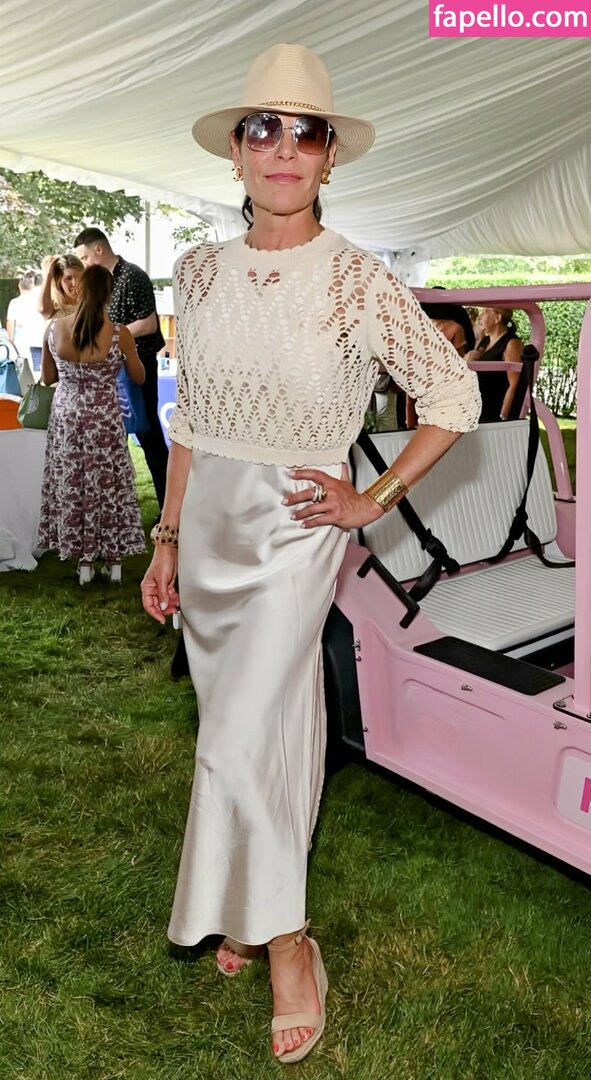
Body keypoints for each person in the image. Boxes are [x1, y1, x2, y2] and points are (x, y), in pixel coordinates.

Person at [140, 43, 481, 1064]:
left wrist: (371, 497)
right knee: (269, 727)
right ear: (236, 153)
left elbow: (454, 396)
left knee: (234, 738)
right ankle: (250, 906)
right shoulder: (197, 272)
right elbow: (191, 421)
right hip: (208, 529)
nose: (282, 148)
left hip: (295, 529)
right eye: (263, 129)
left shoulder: (358, 281)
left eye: (305, 132)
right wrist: (166, 538)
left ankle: (288, 942)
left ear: (330, 157)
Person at [37, 265, 146, 585]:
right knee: (108, 484)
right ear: (109, 294)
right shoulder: (119, 333)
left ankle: (84, 561)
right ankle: (114, 563)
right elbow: (138, 376)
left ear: (79, 290)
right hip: (104, 418)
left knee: (75, 484)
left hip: (68, 418)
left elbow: (47, 378)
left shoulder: (54, 329)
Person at [73, 227, 169, 510]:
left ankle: (169, 507)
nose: (84, 264)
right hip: (114, 368)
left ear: (99, 249)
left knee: (147, 434)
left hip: (139, 367)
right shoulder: (103, 281)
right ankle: (117, 507)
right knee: (116, 437)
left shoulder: (132, 276)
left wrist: (111, 337)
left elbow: (149, 324)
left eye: (85, 257)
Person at [465, 306, 526, 423]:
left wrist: (503, 417)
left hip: (493, 413)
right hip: (476, 410)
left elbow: (515, 385)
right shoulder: (485, 341)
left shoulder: (512, 343)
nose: (479, 316)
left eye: (484, 312)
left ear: (497, 318)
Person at [6, 272, 46, 367]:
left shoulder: (14, 303)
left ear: (19, 286)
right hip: (40, 344)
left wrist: (10, 344)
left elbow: (10, 328)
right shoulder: (40, 302)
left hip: (21, 349)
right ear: (33, 285)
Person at [38, 254, 84, 319]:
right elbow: (43, 309)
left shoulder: (89, 304)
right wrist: (48, 276)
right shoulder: (55, 308)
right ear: (59, 281)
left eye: (78, 277)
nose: (74, 283)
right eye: (68, 278)